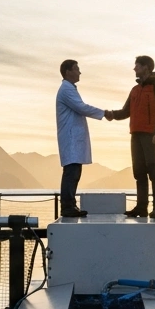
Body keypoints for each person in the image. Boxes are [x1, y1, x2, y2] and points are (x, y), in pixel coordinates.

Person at [103, 56, 155, 219]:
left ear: (146, 67)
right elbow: (126, 111)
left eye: (137, 66)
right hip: (136, 135)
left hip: (151, 135)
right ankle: (141, 207)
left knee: (153, 170)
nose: (134, 69)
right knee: (139, 172)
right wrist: (111, 114)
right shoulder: (135, 89)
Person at [55, 59, 105, 218]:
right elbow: (81, 107)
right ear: (68, 71)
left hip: (72, 139)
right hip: (70, 138)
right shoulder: (66, 89)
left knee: (74, 171)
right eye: (77, 69)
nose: (80, 72)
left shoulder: (69, 89)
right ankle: (67, 206)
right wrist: (105, 113)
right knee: (71, 172)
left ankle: (70, 205)